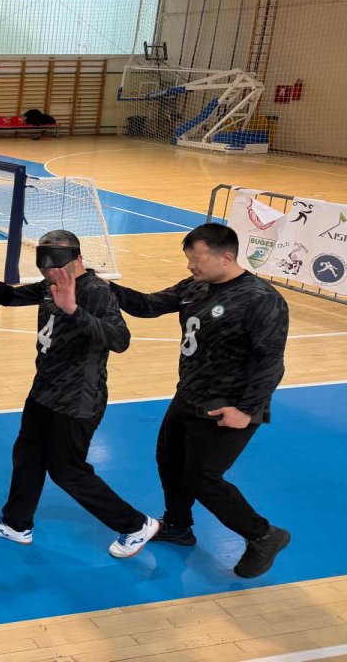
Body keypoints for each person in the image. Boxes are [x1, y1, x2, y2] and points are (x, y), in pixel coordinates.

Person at [0, 231, 159, 557]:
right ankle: (16, 524)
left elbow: (120, 340)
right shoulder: (49, 285)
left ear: (78, 259)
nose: (49, 272)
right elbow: (8, 297)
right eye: (44, 266)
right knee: (26, 457)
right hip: (44, 392)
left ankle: (136, 524)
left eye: (55, 265)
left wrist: (74, 310)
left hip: (77, 400)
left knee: (67, 471)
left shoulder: (96, 291)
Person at [108, 223, 290, 578]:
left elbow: (271, 362)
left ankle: (264, 535)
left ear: (226, 257)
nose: (191, 266)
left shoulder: (260, 299)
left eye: (198, 259)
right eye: (189, 258)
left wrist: (246, 410)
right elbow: (148, 305)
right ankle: (178, 525)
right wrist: (101, 286)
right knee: (170, 461)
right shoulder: (195, 286)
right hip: (189, 396)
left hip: (228, 407)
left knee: (204, 478)